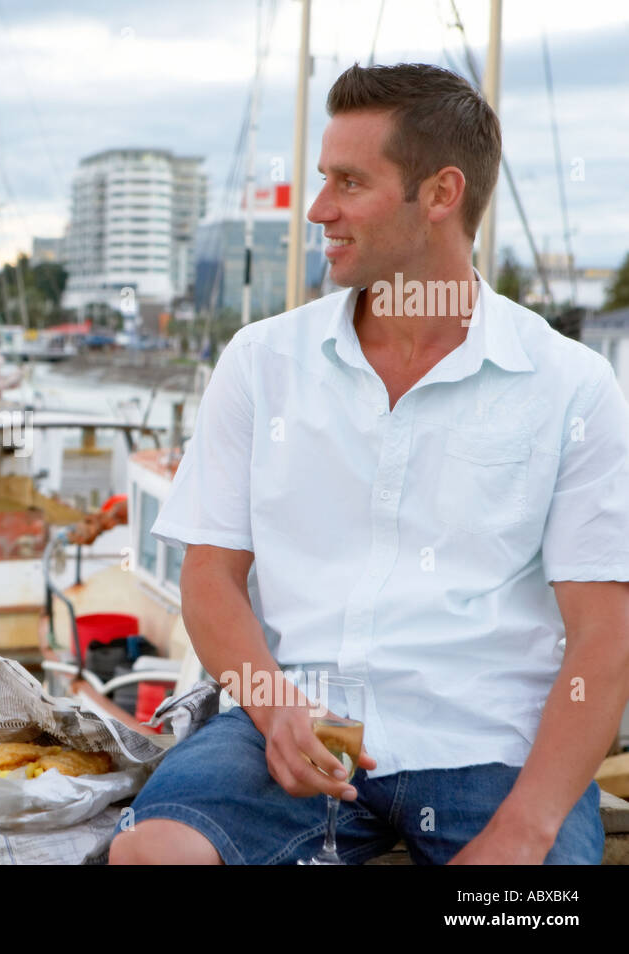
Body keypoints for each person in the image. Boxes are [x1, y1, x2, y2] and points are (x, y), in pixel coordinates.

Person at [110, 63, 629, 865]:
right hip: (288, 727)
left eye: (349, 183)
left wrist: (527, 829)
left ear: (441, 193)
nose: (320, 210)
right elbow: (210, 579)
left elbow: (604, 636)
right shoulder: (260, 362)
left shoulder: (572, 387)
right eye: (324, 180)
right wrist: (271, 706)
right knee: (153, 855)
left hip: (489, 752)